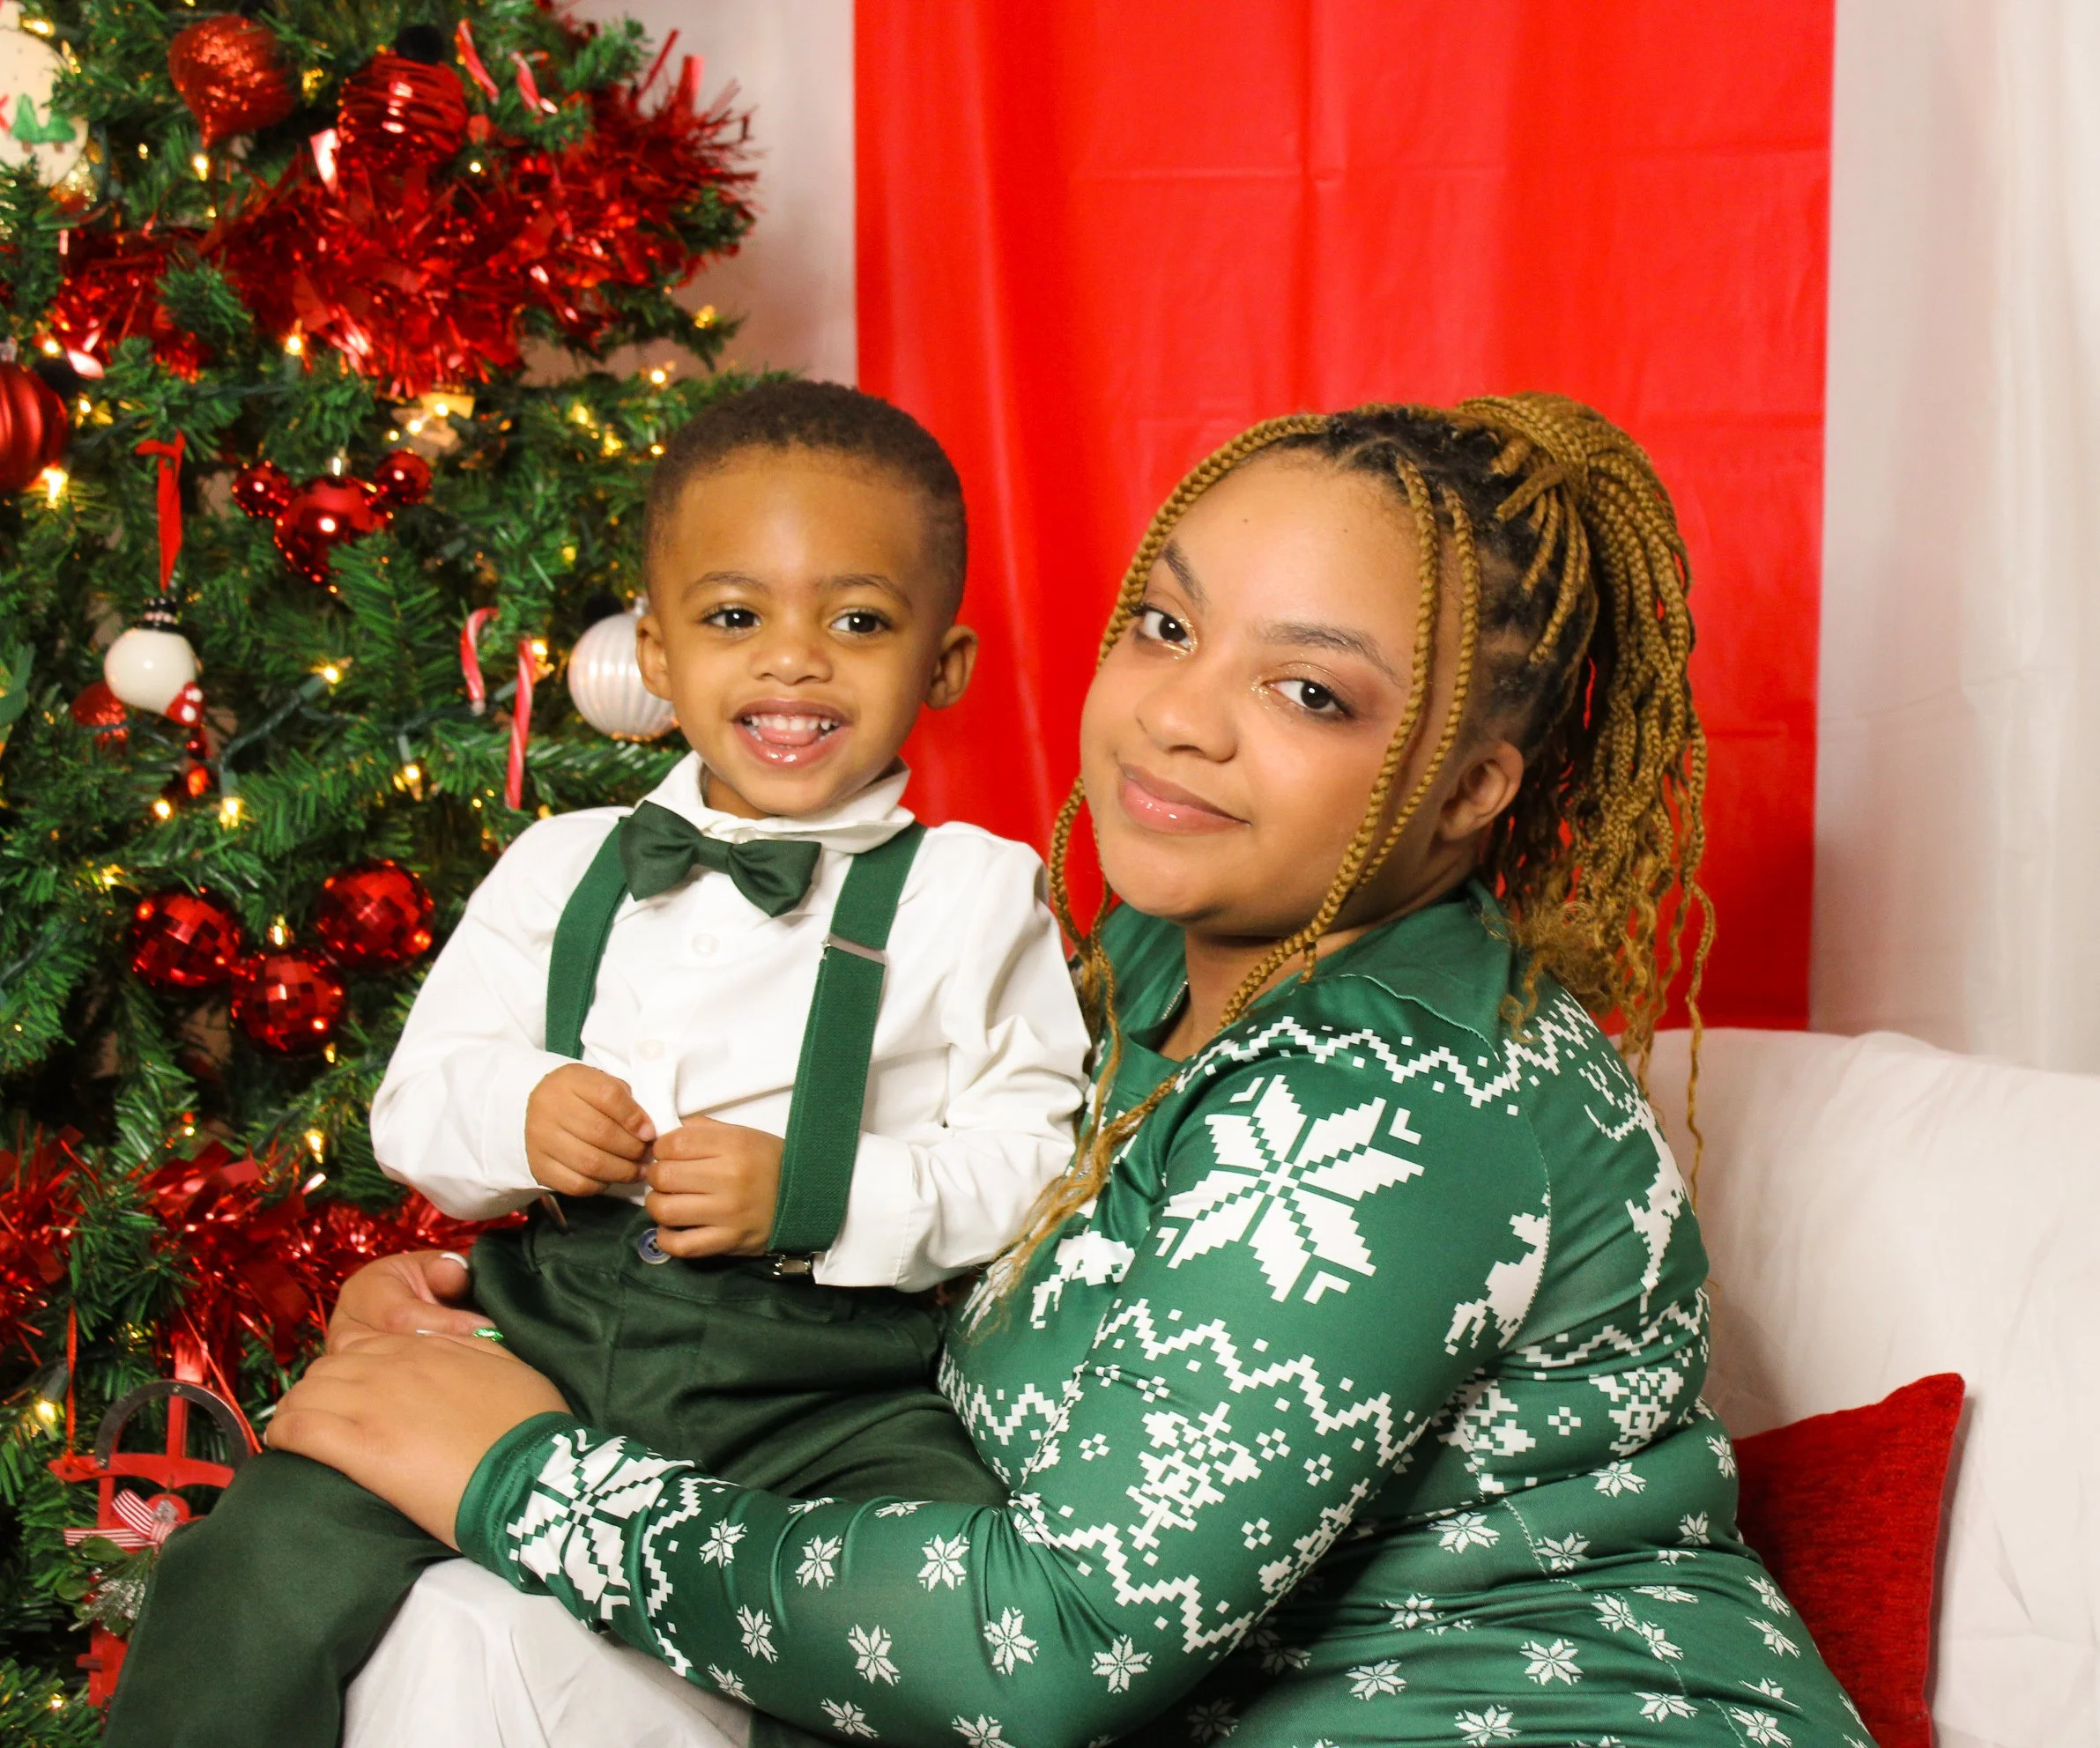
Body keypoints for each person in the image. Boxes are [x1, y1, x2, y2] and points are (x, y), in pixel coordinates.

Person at [271, 397, 1874, 1746]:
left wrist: (518, 1472)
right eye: (1166, 627)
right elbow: (908, 1228)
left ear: (1469, 790)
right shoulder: (1137, 968)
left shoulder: (1408, 1105)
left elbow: (1047, 1647)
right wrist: (497, 1317)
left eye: (1308, 691)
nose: (1180, 718)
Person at [105, 381, 1093, 1748]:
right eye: (734, 617)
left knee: (941, 1599)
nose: (793, 663)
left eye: (857, 621)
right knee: (258, 1561)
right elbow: (419, 1103)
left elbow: (1033, 1165)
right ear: (658, 648)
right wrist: (522, 1116)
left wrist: (817, 1192)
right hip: (544, 1334)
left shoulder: (977, 895)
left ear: (944, 666)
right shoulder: (562, 865)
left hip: (817, 1387)